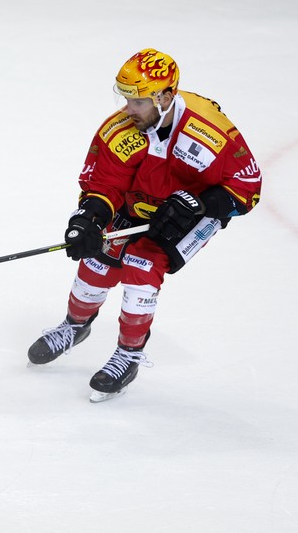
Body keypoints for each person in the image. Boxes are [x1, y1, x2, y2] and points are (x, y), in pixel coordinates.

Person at [28, 48, 261, 402]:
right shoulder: (120, 129)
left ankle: (129, 354)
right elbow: (103, 184)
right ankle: (75, 327)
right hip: (137, 204)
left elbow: (247, 188)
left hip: (189, 216)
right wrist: (88, 220)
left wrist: (198, 204)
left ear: (166, 96)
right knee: (96, 262)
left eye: (137, 101)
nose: (127, 109)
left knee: (142, 267)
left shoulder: (210, 134)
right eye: (125, 99)